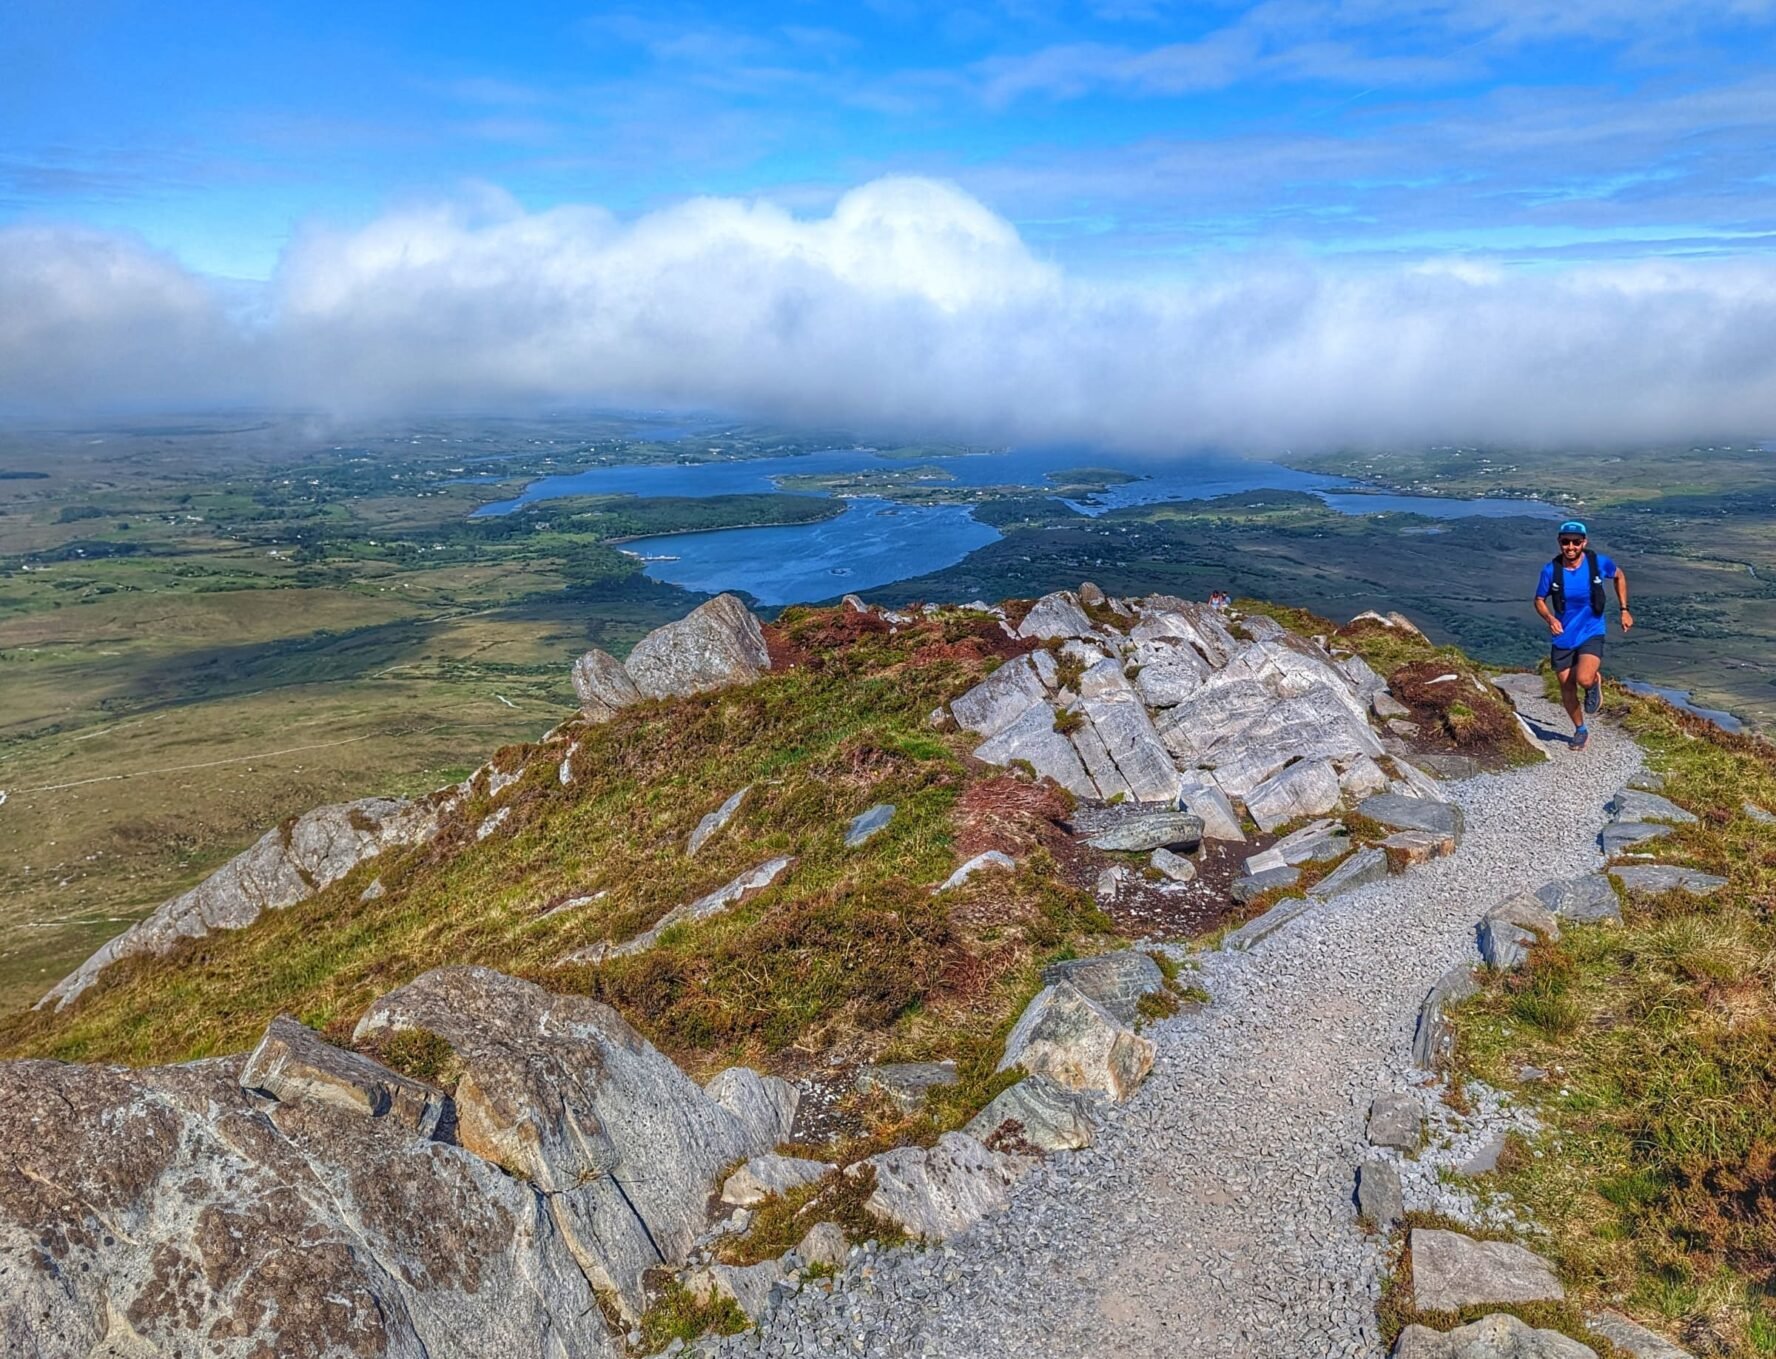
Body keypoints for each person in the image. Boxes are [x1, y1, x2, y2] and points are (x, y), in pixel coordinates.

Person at [1534, 520, 1632, 750]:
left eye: (1576, 542)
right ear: (1559, 542)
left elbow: (1619, 576)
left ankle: (1593, 682)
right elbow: (1539, 600)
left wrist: (1624, 610)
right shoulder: (1551, 571)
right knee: (1566, 688)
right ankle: (1580, 729)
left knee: (1584, 678)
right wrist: (1550, 619)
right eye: (1566, 542)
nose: (1571, 547)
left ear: (1584, 542)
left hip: (1591, 630)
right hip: (1564, 636)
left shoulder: (1598, 563)